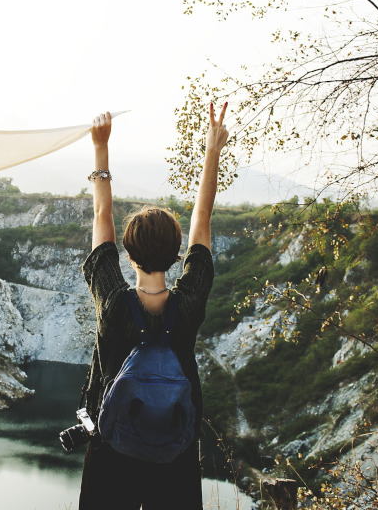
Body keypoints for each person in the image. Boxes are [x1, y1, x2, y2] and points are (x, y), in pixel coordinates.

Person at [78, 104, 229, 510]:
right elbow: (203, 217)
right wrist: (212, 152)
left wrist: (101, 147)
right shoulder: (190, 303)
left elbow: (101, 213)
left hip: (111, 451)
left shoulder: (113, 304)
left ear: (128, 255)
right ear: (178, 254)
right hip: (175, 452)